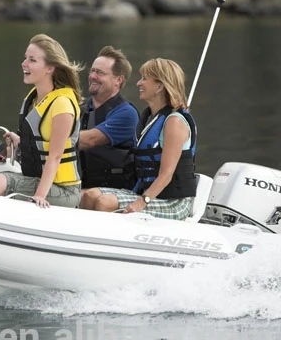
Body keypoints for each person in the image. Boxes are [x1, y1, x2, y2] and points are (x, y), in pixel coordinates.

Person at [0, 34, 82, 208]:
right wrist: (21, 142)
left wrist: (39, 196)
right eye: (25, 58)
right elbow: (40, 144)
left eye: (32, 60)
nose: (24, 63)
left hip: (64, 190)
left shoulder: (62, 105)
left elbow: (56, 156)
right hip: (37, 179)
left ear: (50, 68)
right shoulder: (35, 99)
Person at [79, 58, 197, 219]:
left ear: (160, 86)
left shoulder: (174, 122)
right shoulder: (150, 119)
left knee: (105, 203)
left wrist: (142, 202)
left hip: (173, 201)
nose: (138, 83)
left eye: (144, 78)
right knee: (89, 195)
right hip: (148, 194)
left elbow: (166, 174)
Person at [78, 45, 139, 189]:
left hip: (114, 191)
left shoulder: (127, 114)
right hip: (81, 186)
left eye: (99, 73)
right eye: (92, 71)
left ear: (118, 80)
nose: (92, 76)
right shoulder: (79, 108)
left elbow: (91, 140)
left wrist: (48, 140)